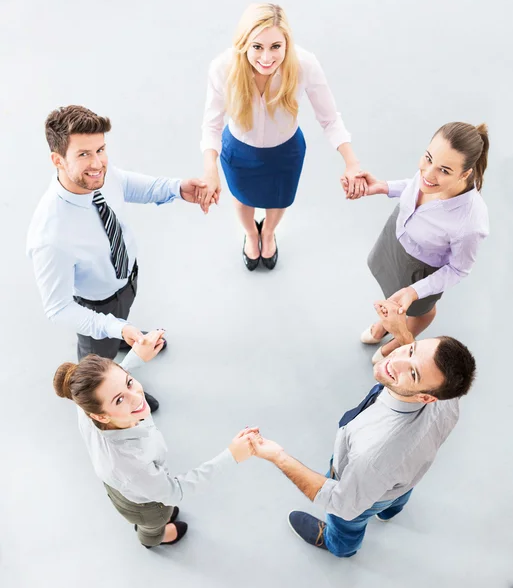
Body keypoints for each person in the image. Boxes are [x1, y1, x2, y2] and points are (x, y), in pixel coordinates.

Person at [249, 300, 476, 558]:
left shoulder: (373, 456)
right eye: (411, 349)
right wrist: (402, 333)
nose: (395, 360)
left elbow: (343, 504)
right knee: (396, 492)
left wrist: (278, 456)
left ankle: (340, 546)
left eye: (412, 374)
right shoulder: (449, 396)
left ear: (426, 397)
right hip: (404, 476)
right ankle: (390, 510)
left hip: (369, 482)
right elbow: (421, 365)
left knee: (348, 521)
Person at [27, 105, 211, 411]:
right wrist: (114, 327)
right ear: (57, 160)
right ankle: (118, 396)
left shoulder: (98, 175)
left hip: (125, 282)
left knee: (118, 323)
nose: (98, 163)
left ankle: (119, 334)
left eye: (100, 149)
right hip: (95, 305)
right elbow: (58, 308)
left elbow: (125, 184)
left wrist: (178, 189)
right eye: (84, 154)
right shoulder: (51, 235)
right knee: (98, 363)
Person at [53, 329, 258, 548]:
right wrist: (232, 456)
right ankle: (152, 539)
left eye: (130, 382)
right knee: (155, 522)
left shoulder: (88, 408)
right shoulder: (132, 464)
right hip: (147, 506)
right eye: (120, 399)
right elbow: (175, 491)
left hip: (127, 486)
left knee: (158, 502)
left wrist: (136, 356)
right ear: (100, 415)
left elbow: (111, 381)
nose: (137, 398)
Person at [200, 2, 364, 270]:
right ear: (244, 43)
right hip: (239, 152)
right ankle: (252, 234)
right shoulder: (223, 67)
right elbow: (212, 123)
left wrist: (352, 162)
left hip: (285, 152)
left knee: (280, 199)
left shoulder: (304, 64)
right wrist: (210, 169)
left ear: (286, 42)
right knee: (242, 199)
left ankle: (268, 232)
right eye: (257, 47)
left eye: (275, 46)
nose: (266, 58)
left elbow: (330, 118)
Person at [345, 122, 489, 363]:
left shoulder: (470, 222)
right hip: (395, 240)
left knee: (420, 311)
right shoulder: (431, 173)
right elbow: (415, 184)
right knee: (392, 294)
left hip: (420, 270)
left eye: (444, 170)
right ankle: (384, 324)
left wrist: (415, 291)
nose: (428, 173)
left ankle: (395, 342)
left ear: (465, 174)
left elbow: (458, 269)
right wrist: (382, 187)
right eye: (428, 158)